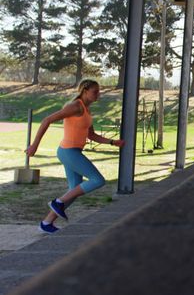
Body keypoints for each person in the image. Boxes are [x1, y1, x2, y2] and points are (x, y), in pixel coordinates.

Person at [25, 79, 124, 233]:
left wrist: (112, 142)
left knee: (74, 190)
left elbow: (91, 135)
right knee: (98, 180)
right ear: (85, 90)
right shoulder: (75, 106)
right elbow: (47, 120)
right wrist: (34, 145)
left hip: (74, 152)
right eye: (95, 91)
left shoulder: (87, 110)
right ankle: (58, 202)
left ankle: (46, 223)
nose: (98, 94)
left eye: (99, 91)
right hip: (68, 151)